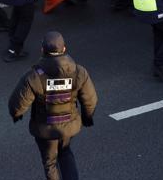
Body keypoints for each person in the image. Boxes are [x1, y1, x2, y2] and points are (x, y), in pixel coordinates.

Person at [8, 31, 98, 180]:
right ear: (64, 49)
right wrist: (87, 117)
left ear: (42, 50)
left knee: (50, 163)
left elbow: (18, 102)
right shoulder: (79, 72)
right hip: (69, 126)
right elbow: (90, 99)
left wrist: (16, 114)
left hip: (45, 129)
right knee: (65, 152)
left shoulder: (34, 75)